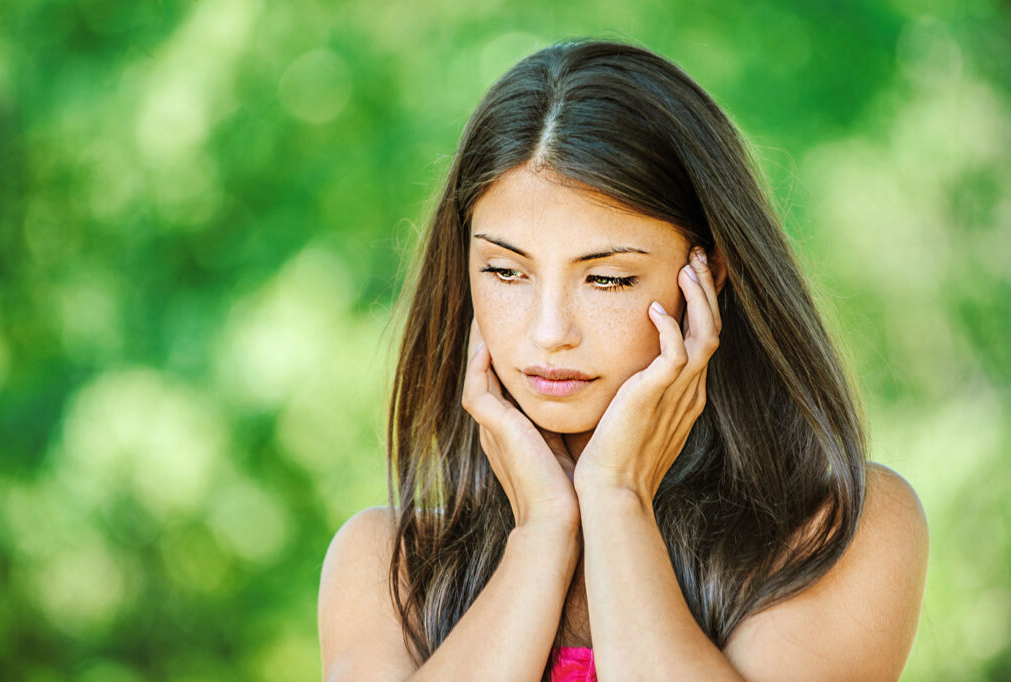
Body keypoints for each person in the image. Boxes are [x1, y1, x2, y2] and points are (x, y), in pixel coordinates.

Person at [317, 39, 929, 681]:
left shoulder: (840, 531)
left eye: (606, 279)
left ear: (708, 274)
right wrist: (542, 534)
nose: (549, 332)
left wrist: (615, 499)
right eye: (504, 270)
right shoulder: (386, 565)